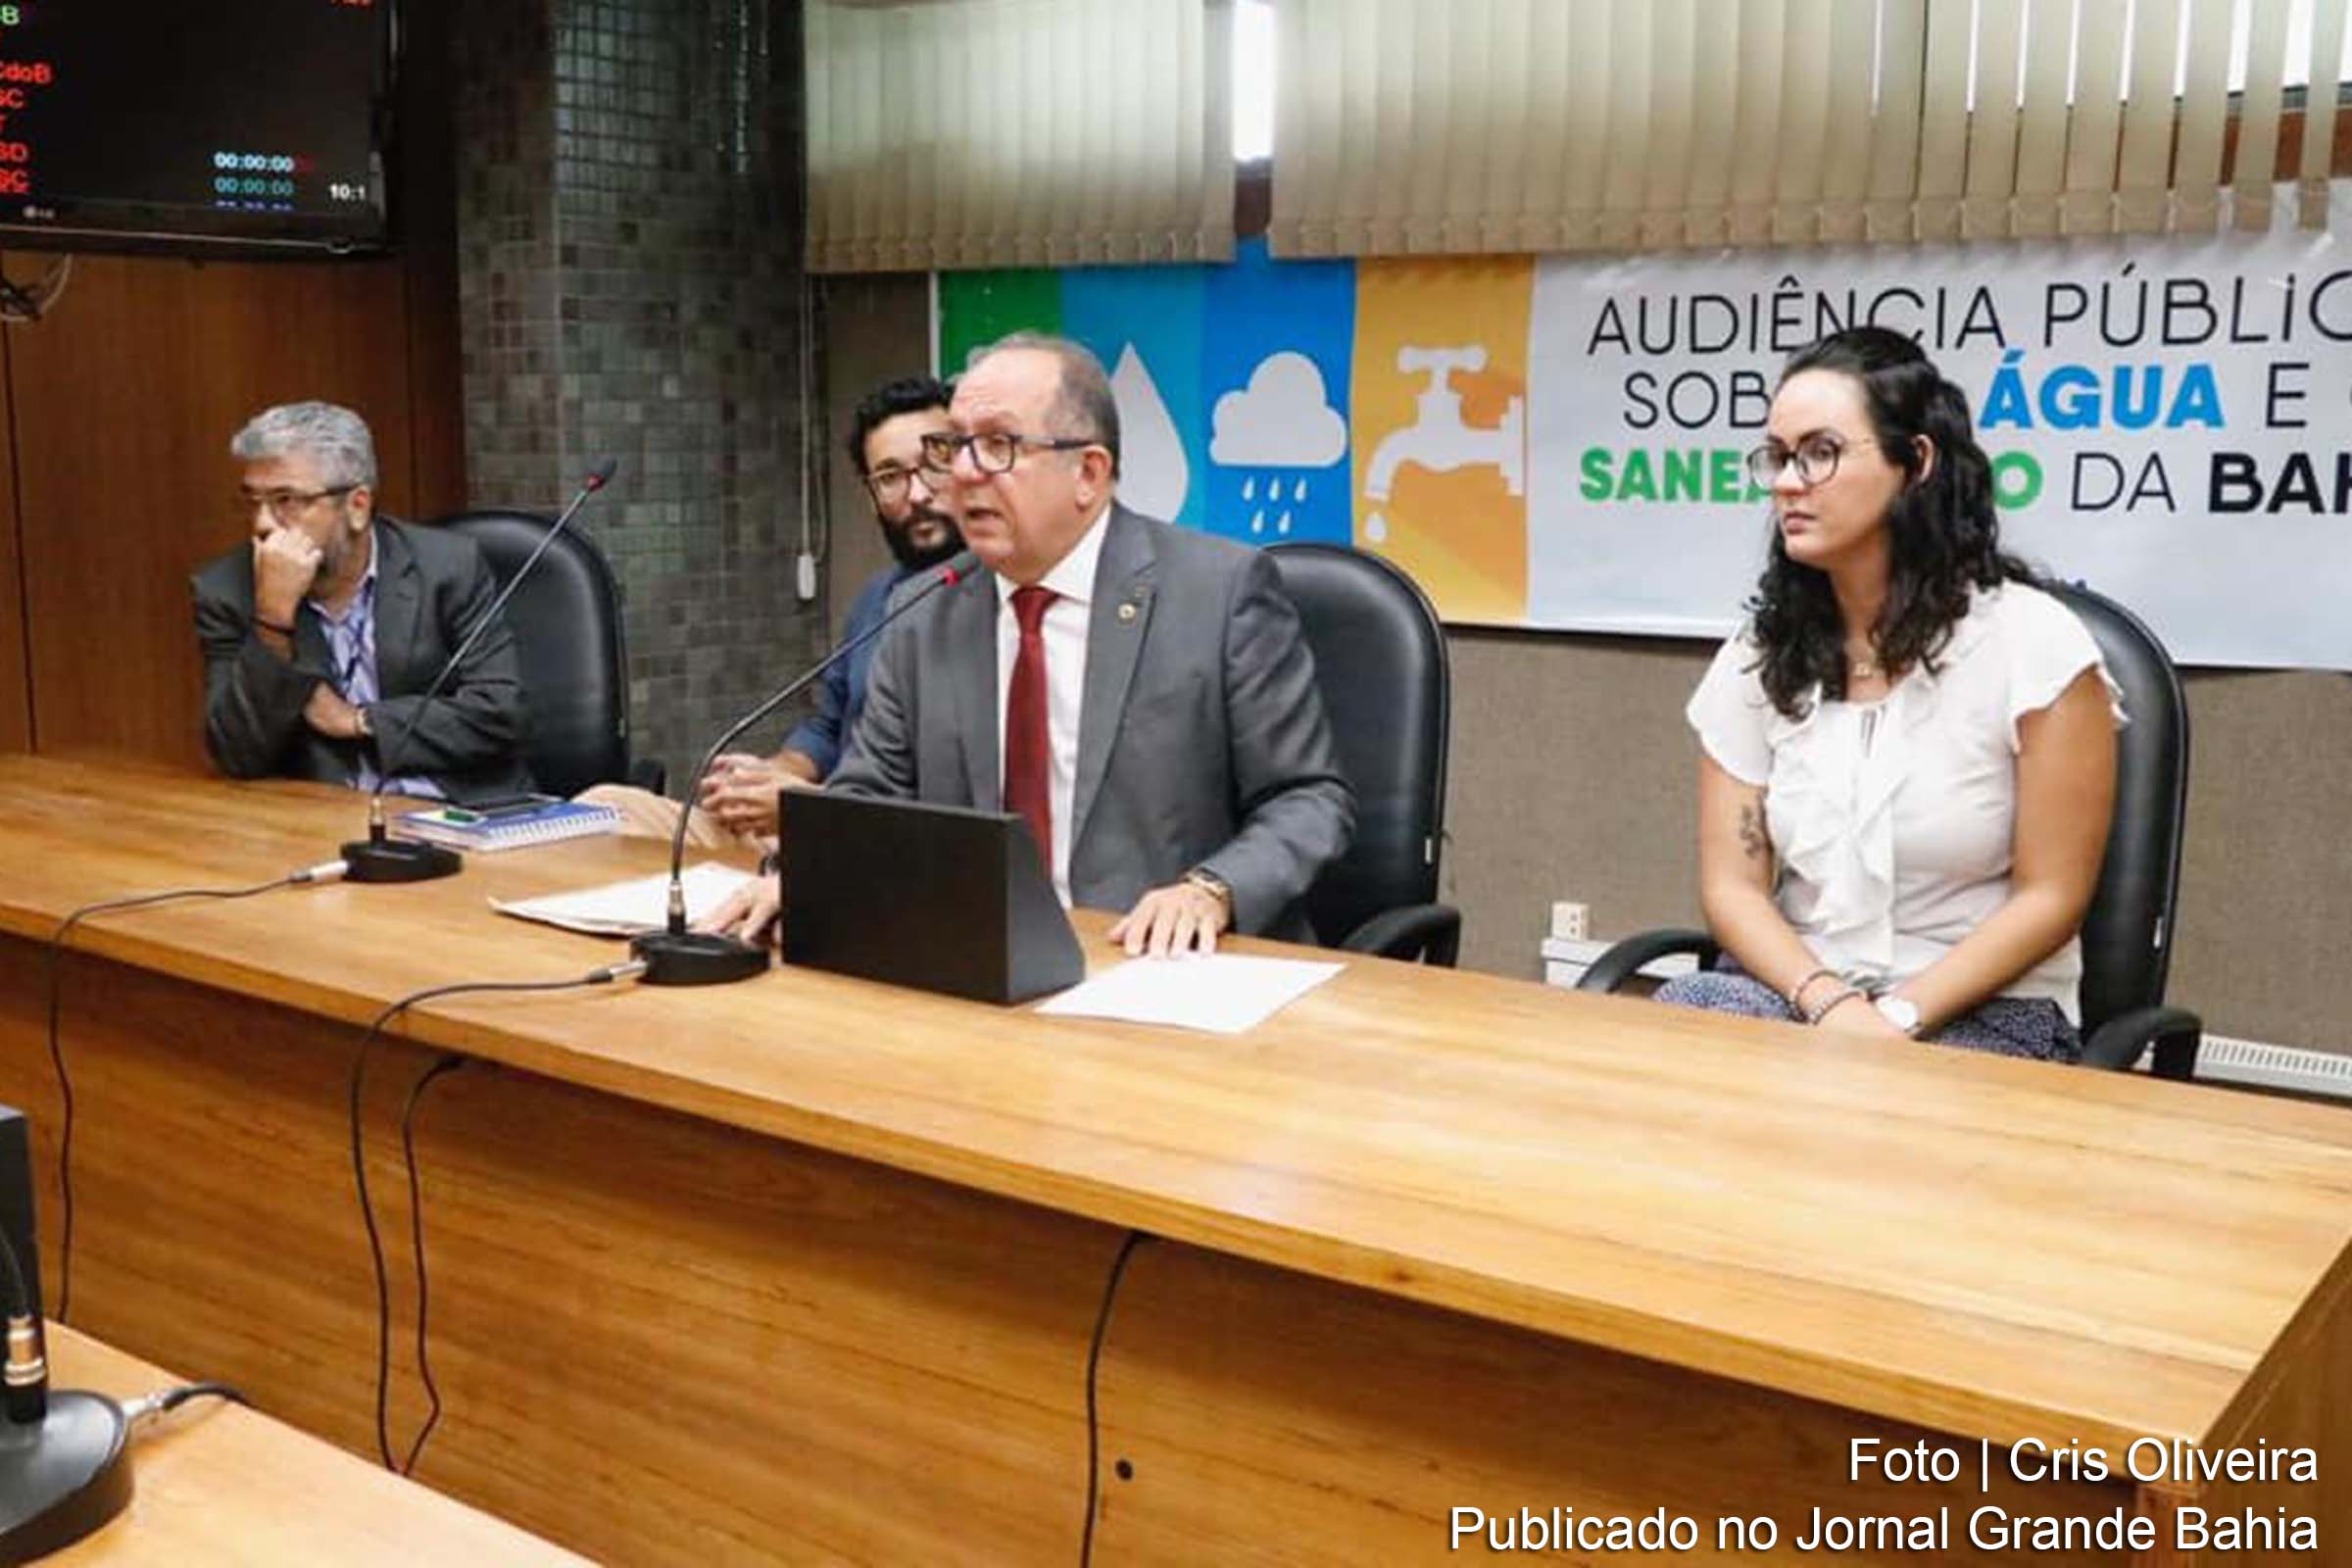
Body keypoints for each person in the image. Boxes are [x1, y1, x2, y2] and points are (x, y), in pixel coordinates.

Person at [703, 332, 1355, 956]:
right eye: (954, 445)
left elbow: (1308, 799)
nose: (963, 473)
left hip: (1162, 961)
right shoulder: (923, 610)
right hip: (977, 958)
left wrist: (1212, 890)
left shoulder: (1219, 593)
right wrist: (808, 875)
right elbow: (869, 796)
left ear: (1088, 473)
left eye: (998, 445)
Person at [1653, 326, 2120, 1061]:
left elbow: (2051, 898)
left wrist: (1894, 1018)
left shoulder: (2035, 647)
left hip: (1981, 1011)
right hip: (1799, 995)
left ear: (1916, 463)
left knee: (1867, 1109)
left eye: (1821, 452)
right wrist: (1829, 1002)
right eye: (1778, 456)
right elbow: (1733, 889)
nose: (1787, 482)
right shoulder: (1760, 654)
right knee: (1674, 1038)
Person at [582, 375, 964, 848]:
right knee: (603, 810)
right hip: (811, 828)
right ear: (871, 498)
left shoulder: (997, 608)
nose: (918, 494)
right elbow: (827, 729)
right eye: (890, 478)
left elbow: (942, 800)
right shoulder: (876, 599)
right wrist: (767, 778)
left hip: (887, 845)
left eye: (935, 466)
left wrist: (804, 805)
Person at [192, 401, 530, 801]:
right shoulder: (228, 589)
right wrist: (272, 619)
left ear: (357, 506)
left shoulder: (447, 567)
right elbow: (237, 757)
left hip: (456, 808)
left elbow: (502, 714)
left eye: (286, 500)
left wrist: (358, 720)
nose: (262, 524)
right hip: (322, 817)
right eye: (252, 502)